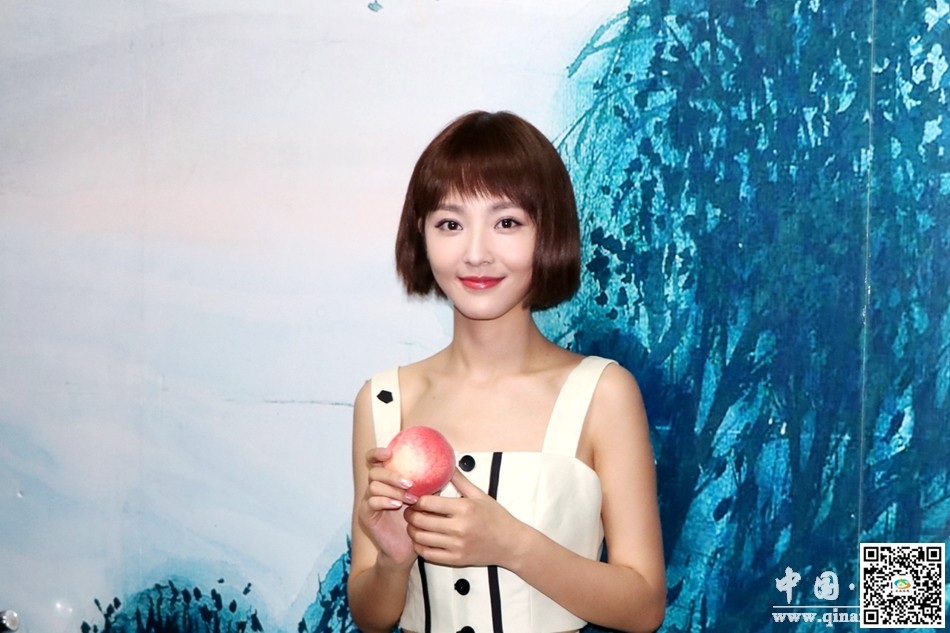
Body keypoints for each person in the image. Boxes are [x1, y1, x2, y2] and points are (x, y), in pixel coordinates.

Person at [347, 110, 666, 633]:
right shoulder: (382, 400)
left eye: (507, 223)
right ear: (421, 235)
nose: (476, 254)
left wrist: (512, 545)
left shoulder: (603, 392)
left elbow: (644, 607)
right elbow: (370, 615)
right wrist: (393, 561)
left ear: (548, 232)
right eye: (450, 224)